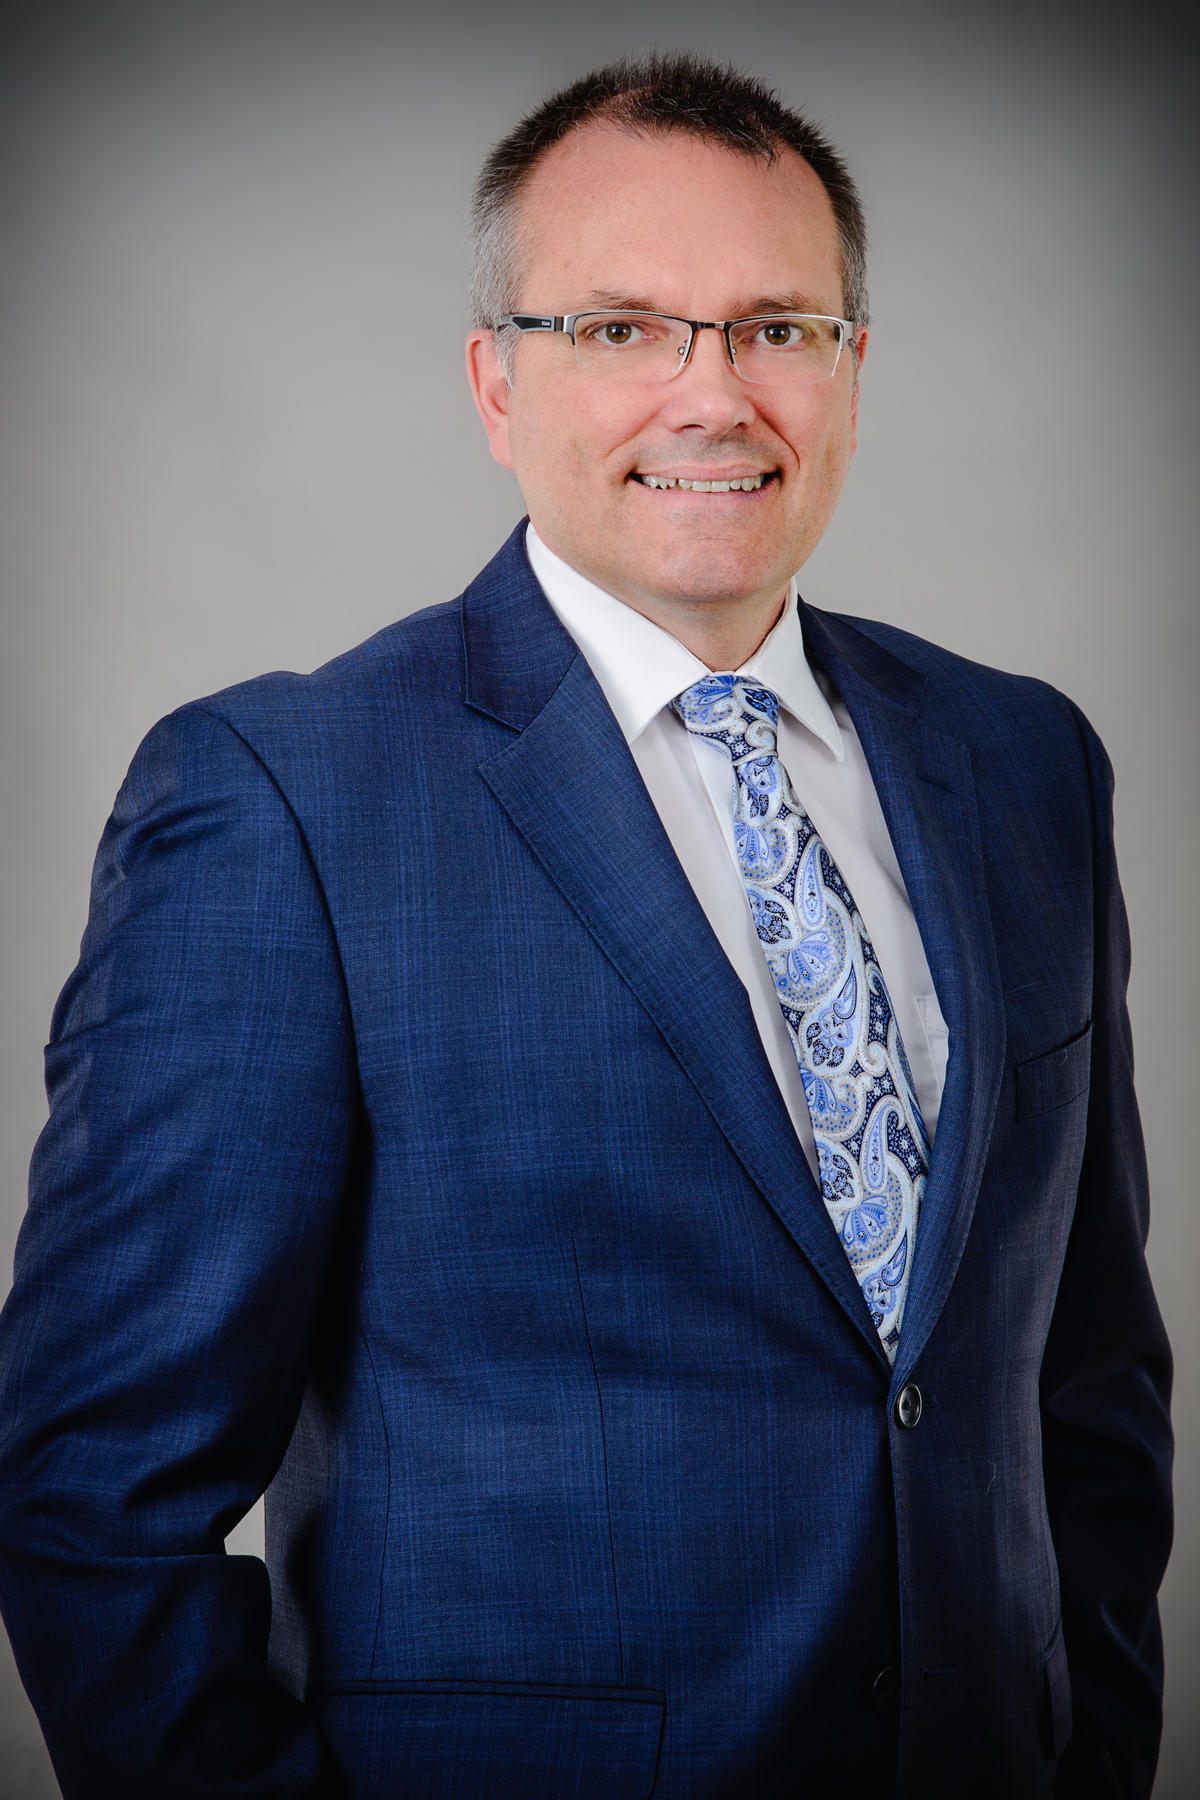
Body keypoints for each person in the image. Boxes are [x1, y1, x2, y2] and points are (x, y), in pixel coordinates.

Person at [0, 51, 1172, 1800]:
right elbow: (97, 1495)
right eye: (622, 329)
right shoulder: (284, 800)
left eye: (779, 329)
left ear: (855, 376)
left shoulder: (1023, 764)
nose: (714, 396)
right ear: (495, 382)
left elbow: (1089, 1385)